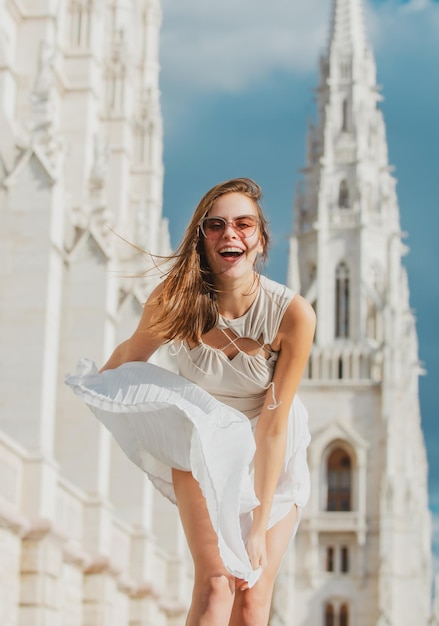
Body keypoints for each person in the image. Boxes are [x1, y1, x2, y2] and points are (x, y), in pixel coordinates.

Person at [66, 177, 315, 626]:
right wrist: (94, 386)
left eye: (244, 225)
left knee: (253, 597)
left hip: (273, 446)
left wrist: (257, 528)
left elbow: (274, 425)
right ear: (201, 239)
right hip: (203, 438)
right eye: (215, 225)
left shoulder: (293, 314)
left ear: (261, 241)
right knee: (216, 582)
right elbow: (130, 355)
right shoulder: (175, 302)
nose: (230, 234)